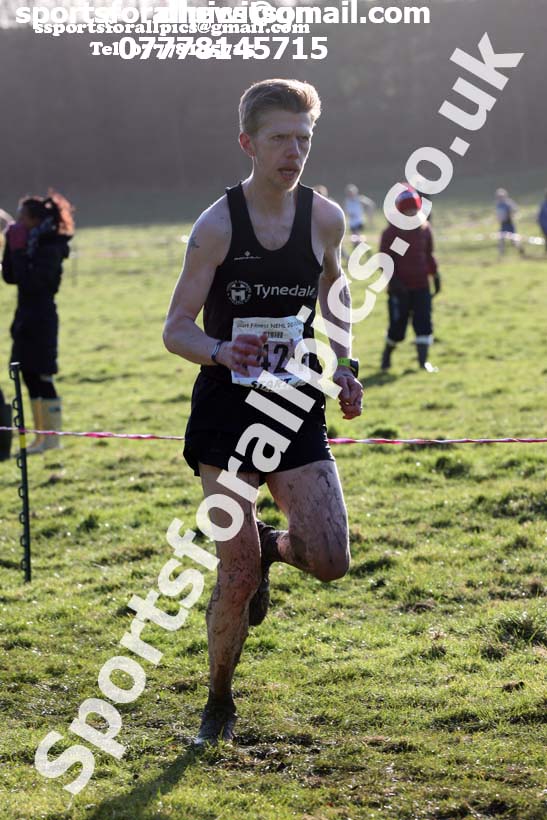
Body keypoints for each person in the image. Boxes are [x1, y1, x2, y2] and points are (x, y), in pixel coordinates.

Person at [163, 79, 363, 746]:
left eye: (303, 139)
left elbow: (336, 293)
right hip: (225, 412)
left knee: (331, 560)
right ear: (248, 143)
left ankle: (278, 552)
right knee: (236, 569)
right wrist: (221, 349)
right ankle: (218, 702)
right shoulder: (217, 224)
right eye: (280, 138)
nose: (294, 152)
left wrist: (347, 366)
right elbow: (175, 329)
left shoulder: (324, 217)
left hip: (293, 404)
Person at [2, 191, 74, 454]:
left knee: (42, 376)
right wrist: (11, 247)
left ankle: (51, 438)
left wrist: (20, 251)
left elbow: (33, 283)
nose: (18, 221)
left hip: (42, 318)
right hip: (24, 317)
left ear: (34, 219)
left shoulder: (50, 246)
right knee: (27, 374)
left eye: (22, 217)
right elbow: (11, 277)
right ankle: (39, 437)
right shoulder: (27, 241)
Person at [379, 185, 441, 373]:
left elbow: (428, 254)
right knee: (398, 328)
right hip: (401, 290)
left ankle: (423, 363)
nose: (412, 213)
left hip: (421, 286)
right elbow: (387, 260)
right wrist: (395, 282)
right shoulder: (393, 234)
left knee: (424, 323)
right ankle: (387, 355)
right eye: (408, 210)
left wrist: (435, 275)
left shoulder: (424, 230)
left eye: (414, 209)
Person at [495, 188, 523, 257]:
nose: (499, 198)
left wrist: (511, 214)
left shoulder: (508, 203)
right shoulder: (498, 204)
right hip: (503, 225)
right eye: (498, 196)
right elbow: (498, 214)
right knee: (501, 240)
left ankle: (520, 250)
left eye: (501, 196)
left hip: (509, 224)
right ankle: (501, 254)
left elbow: (515, 209)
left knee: (514, 240)